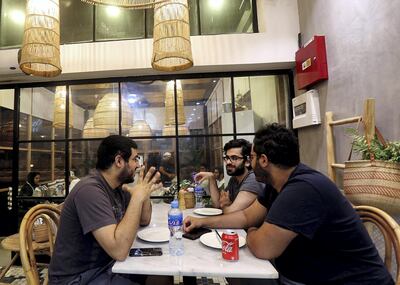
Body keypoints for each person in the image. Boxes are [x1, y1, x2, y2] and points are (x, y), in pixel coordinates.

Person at [184, 123, 394, 285]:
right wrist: (202, 222)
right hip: (302, 274)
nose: (251, 162)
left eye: (253, 157)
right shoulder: (276, 185)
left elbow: (262, 247)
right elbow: (246, 216)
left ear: (264, 160)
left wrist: (253, 230)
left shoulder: (303, 189)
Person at [49, 135, 166, 285]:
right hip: (78, 278)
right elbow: (119, 251)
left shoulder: (116, 188)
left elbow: (144, 220)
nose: (138, 165)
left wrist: (144, 191)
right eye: (135, 159)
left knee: (161, 274)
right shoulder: (90, 191)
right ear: (119, 161)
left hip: (105, 267)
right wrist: (137, 197)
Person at [194, 139, 264, 213]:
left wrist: (226, 205)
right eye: (227, 158)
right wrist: (212, 178)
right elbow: (218, 204)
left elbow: (230, 212)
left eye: (234, 158)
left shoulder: (252, 179)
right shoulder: (234, 179)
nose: (228, 162)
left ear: (247, 161)